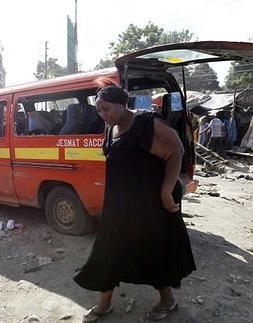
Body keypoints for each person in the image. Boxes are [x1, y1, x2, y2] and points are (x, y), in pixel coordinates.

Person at [74, 85, 196, 322]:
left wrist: (165, 191)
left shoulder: (147, 124)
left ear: (122, 103)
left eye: (106, 109)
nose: (103, 115)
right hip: (118, 206)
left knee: (151, 252)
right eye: (99, 111)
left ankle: (167, 300)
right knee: (108, 252)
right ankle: (104, 303)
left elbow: (176, 152)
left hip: (147, 205)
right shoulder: (111, 128)